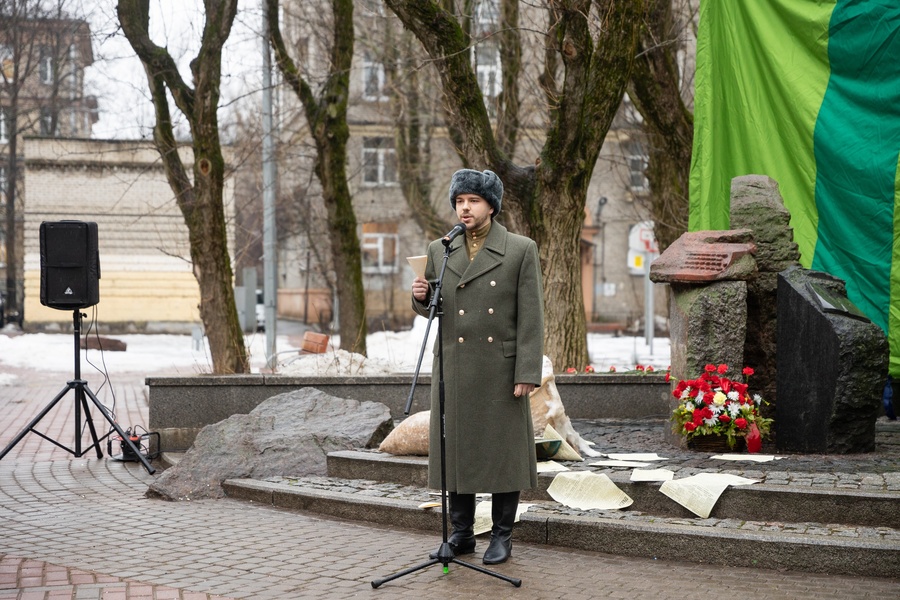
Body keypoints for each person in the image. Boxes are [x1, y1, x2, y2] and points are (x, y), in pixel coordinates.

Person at [411, 168, 544, 565]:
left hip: (500, 371)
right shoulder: (442, 248)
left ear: (491, 205)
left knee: (504, 455)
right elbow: (436, 306)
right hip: (454, 366)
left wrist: (527, 371)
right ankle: (462, 534)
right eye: (459, 201)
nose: (464, 208)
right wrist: (420, 296)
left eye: (472, 201)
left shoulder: (521, 249)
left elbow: (531, 316)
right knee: (458, 452)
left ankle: (502, 536)